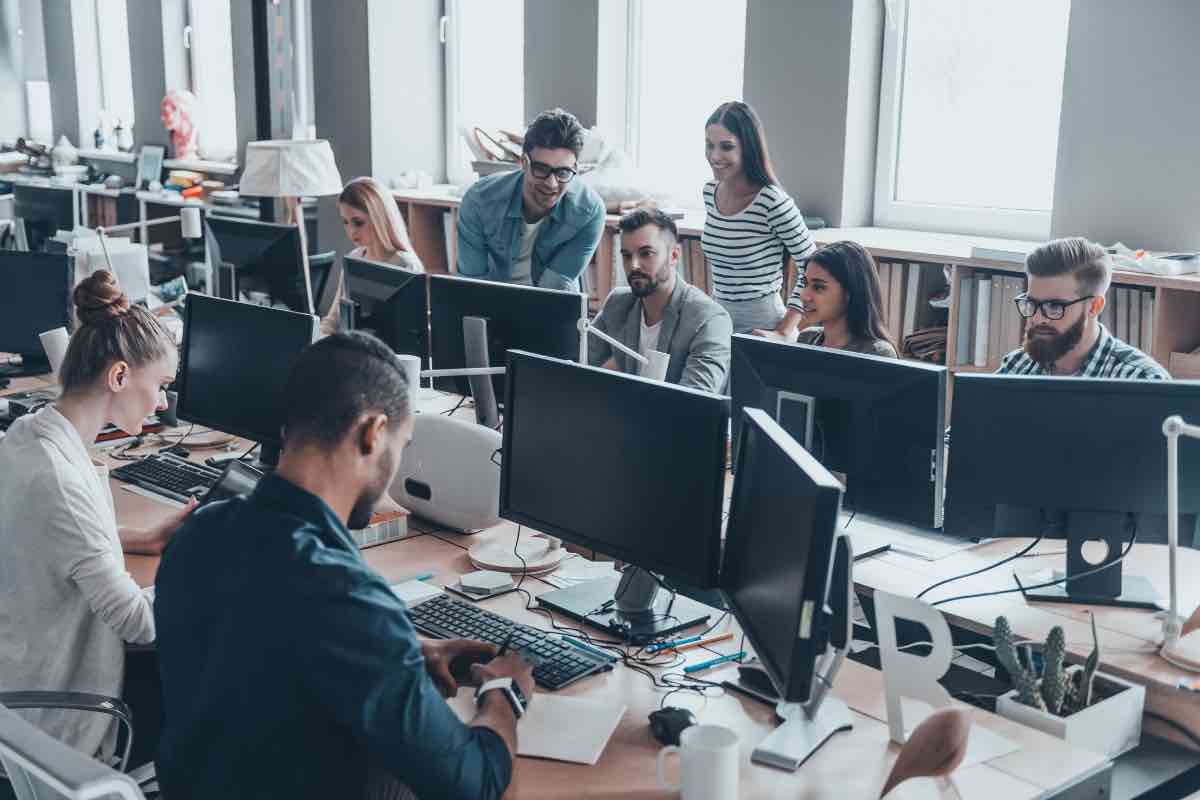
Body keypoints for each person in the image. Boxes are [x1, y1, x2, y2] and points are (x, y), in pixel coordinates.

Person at [154, 332, 532, 800]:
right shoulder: (343, 594)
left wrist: (401, 653)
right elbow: (479, 786)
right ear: (373, 432)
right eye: (402, 443)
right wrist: (504, 694)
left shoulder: (201, 533)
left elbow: (260, 638)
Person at [0, 271, 191, 759]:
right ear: (120, 375)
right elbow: (137, 622)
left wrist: (135, 537)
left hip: (20, 672)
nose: (164, 403)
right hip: (58, 717)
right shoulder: (59, 480)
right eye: (161, 384)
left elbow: (45, 536)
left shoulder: (29, 434)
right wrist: (216, 590)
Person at [457, 108, 605, 291]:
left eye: (563, 172)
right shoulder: (479, 200)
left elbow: (555, 287)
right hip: (491, 301)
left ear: (576, 168)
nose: (551, 184)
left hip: (552, 304)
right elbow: (472, 285)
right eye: (542, 169)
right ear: (523, 162)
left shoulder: (590, 212)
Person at [701, 101, 817, 334]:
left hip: (764, 324)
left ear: (748, 148)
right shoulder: (709, 192)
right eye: (709, 145)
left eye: (726, 147)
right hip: (719, 320)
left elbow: (812, 265)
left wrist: (784, 331)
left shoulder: (772, 201)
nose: (715, 156)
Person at [589, 209, 732, 393]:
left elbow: (696, 402)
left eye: (646, 253)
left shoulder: (709, 320)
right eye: (626, 255)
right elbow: (579, 364)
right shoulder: (618, 303)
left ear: (673, 255)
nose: (633, 265)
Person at [998, 237, 1169, 379]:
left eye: (1054, 307)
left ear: (1094, 306)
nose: (1037, 318)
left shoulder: (1142, 381)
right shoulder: (1017, 366)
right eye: (1032, 303)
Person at [755, 240, 898, 358]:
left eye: (818, 287)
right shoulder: (807, 338)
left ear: (850, 292)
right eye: (805, 284)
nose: (804, 296)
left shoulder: (878, 353)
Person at [320, 177, 424, 335]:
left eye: (358, 222)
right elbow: (333, 320)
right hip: (351, 349)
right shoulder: (354, 258)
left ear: (379, 218)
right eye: (345, 222)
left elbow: (411, 334)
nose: (351, 231)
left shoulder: (406, 265)